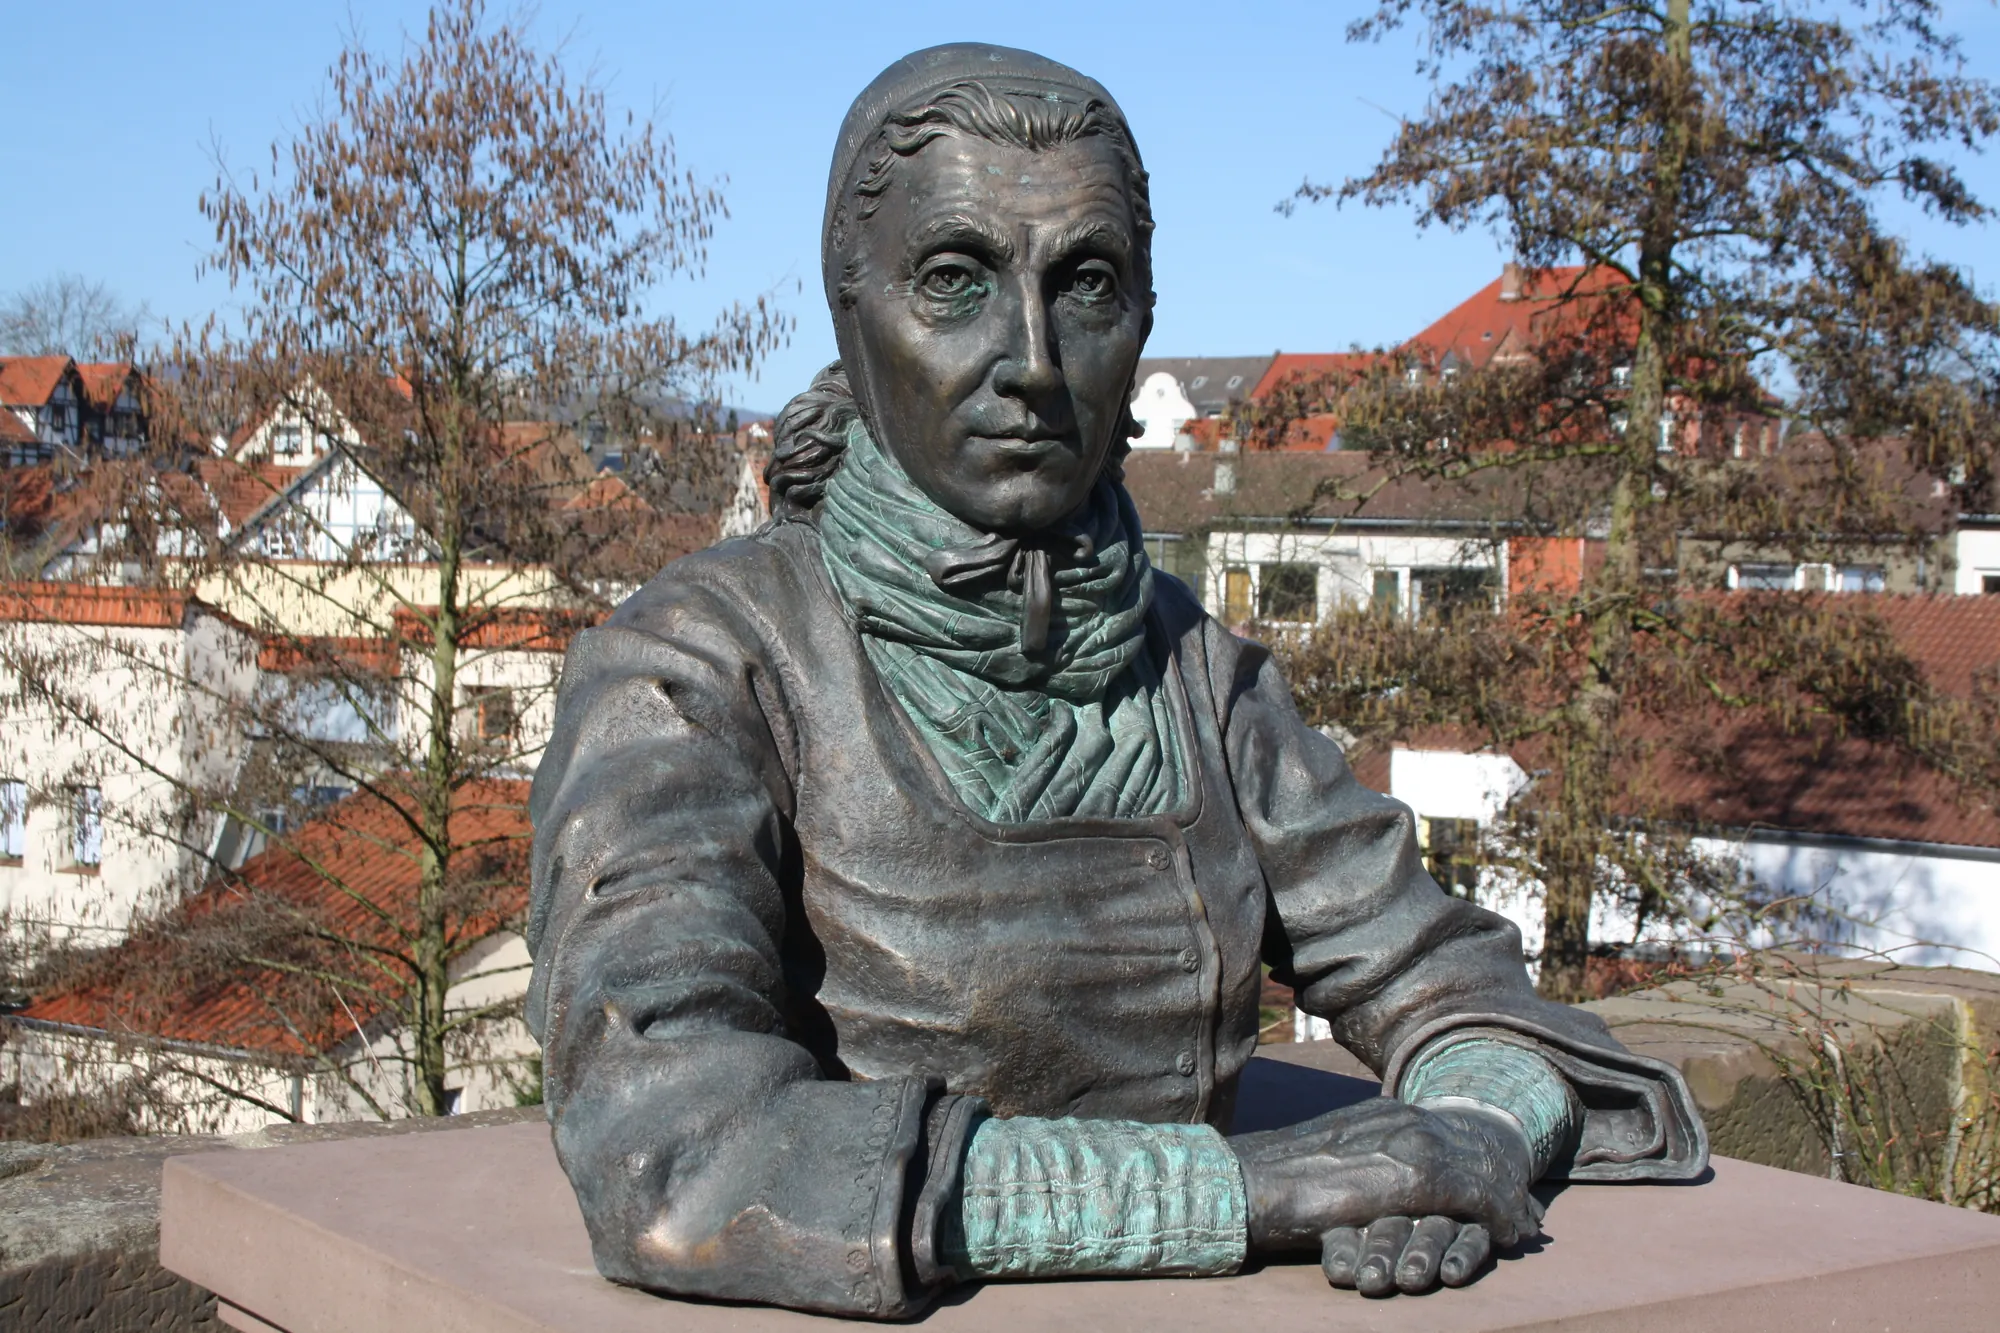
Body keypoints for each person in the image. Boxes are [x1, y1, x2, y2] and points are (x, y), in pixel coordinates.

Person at [525, 43, 1706, 1320]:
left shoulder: (1197, 669)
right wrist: (1247, 1193)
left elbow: (1458, 990)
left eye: (1083, 286)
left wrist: (1466, 1143)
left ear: (1141, 314)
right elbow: (674, 1148)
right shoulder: (694, 665)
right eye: (953, 281)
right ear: (849, 309)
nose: (1029, 358)